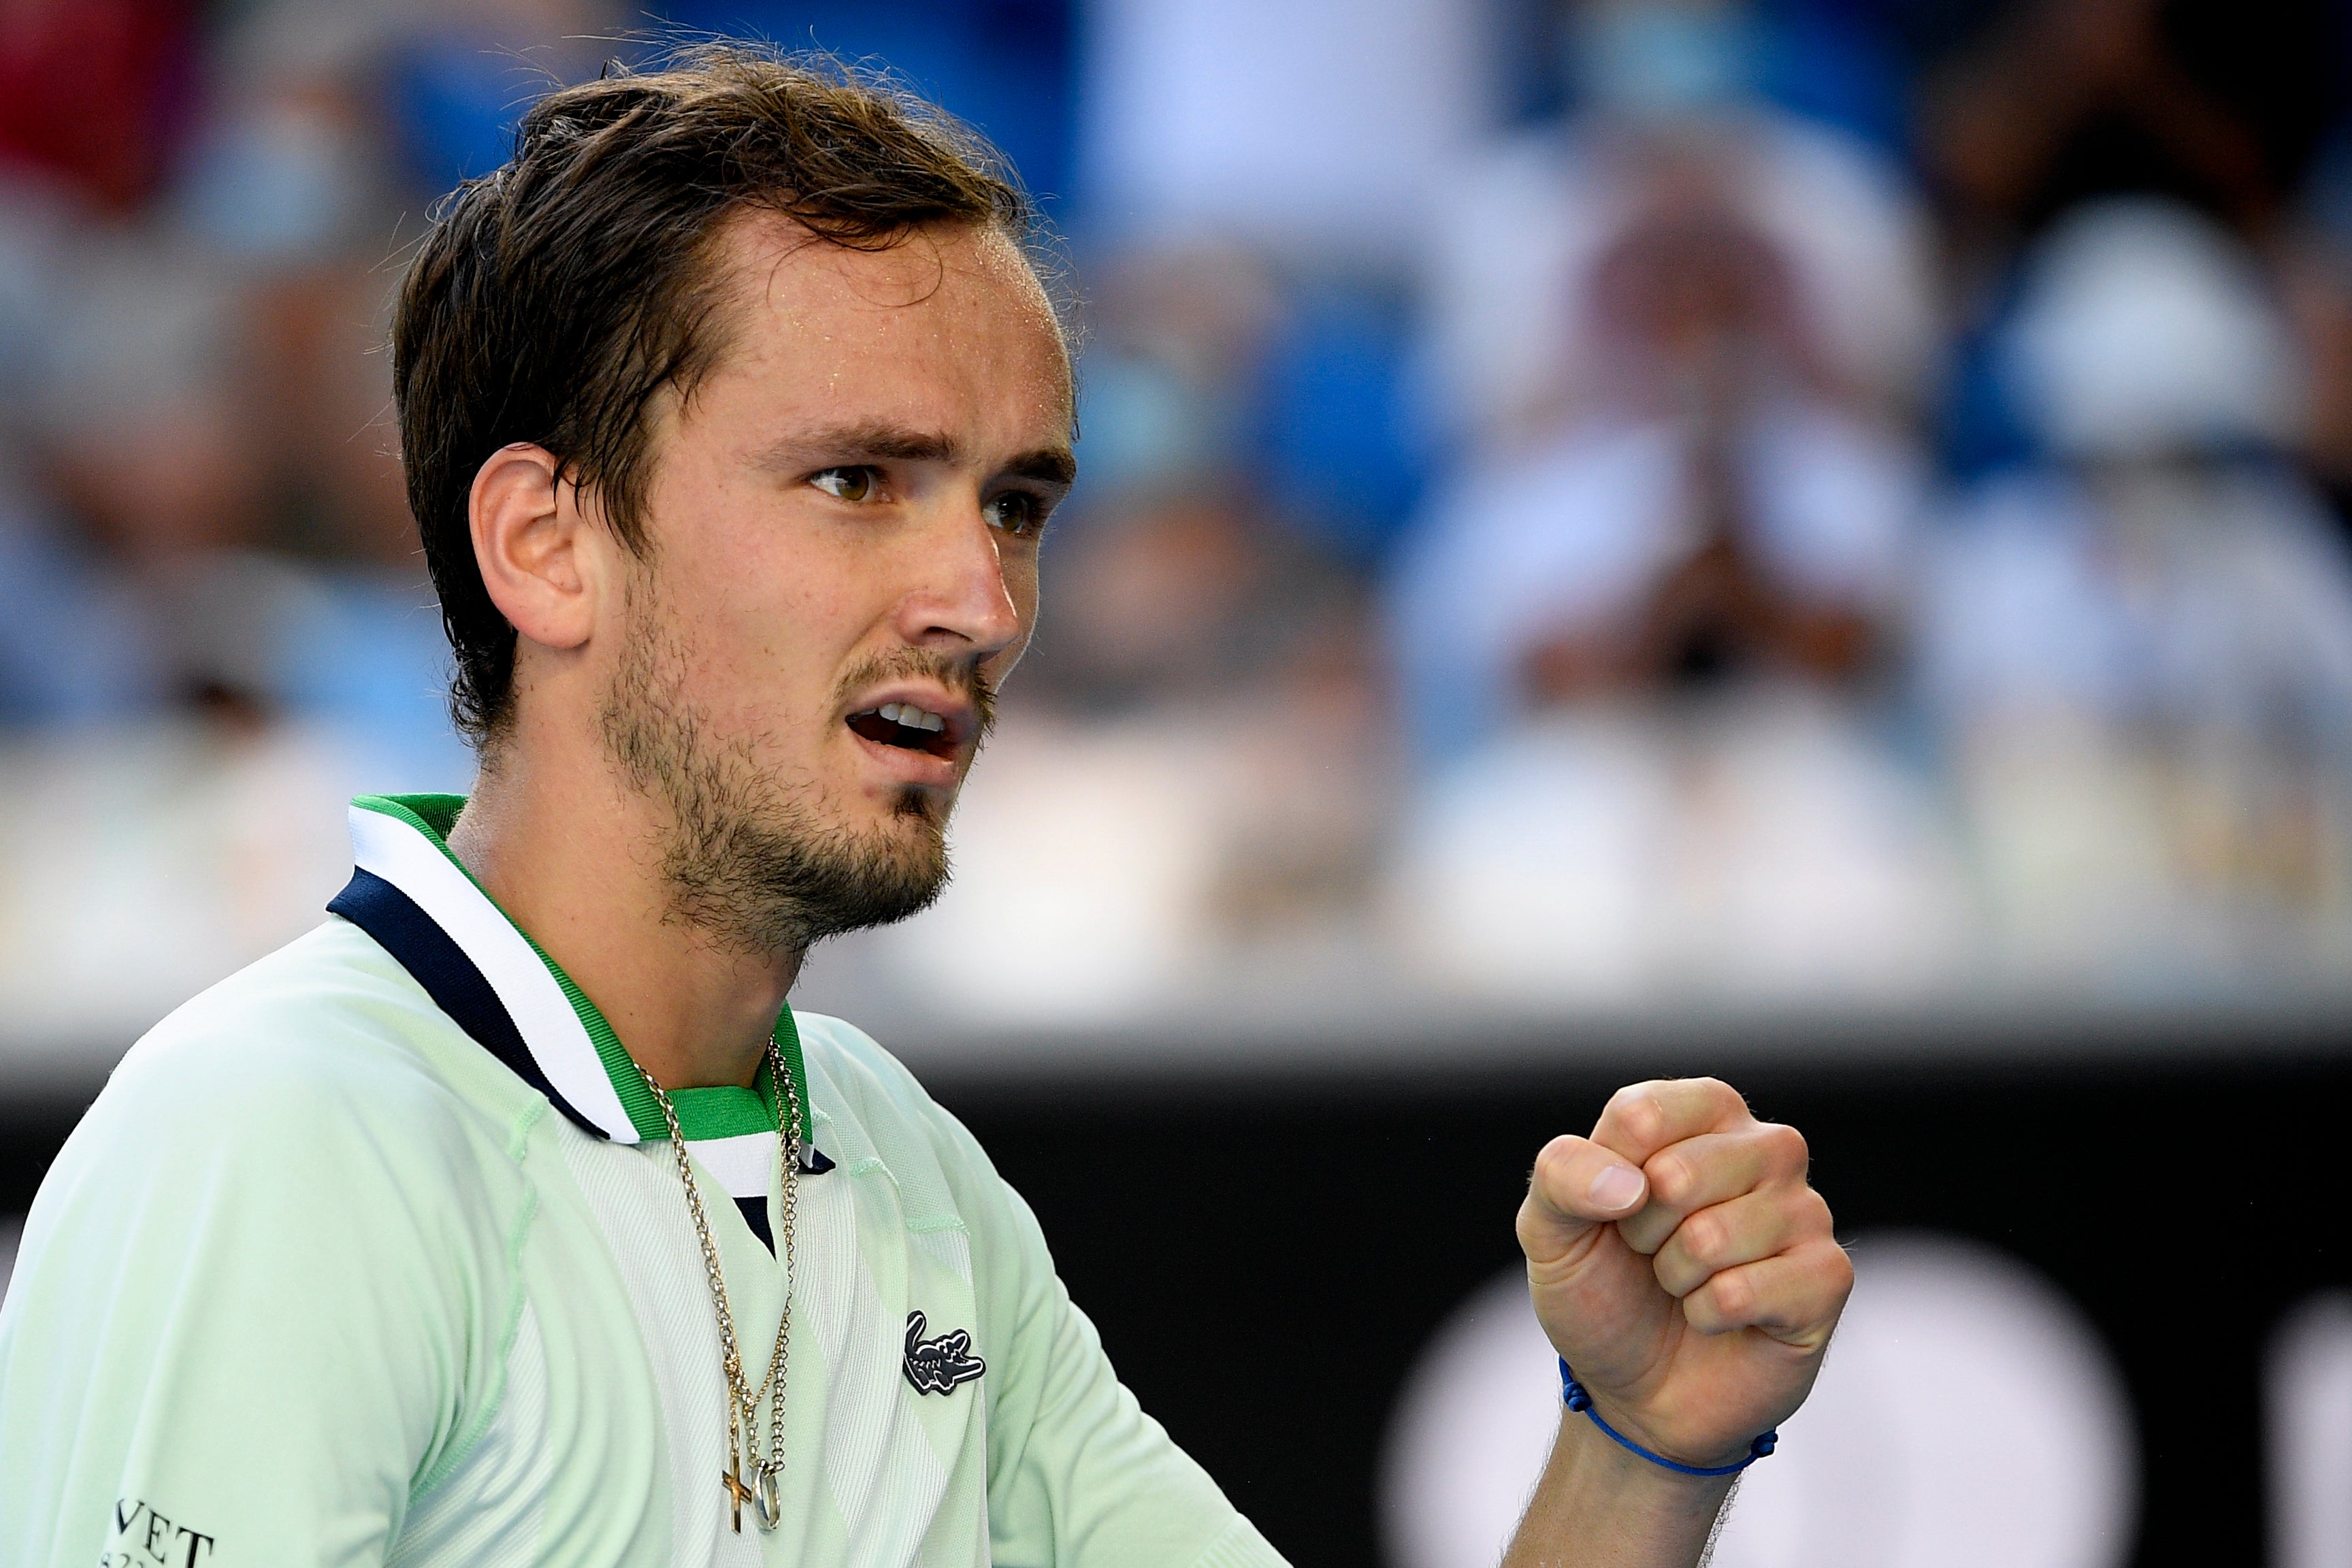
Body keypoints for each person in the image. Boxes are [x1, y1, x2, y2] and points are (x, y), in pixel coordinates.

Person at [0, 47, 1851, 1568]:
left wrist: (1640, 1450)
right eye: (859, 479)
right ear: (545, 547)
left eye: (1017, 503)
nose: (980, 600)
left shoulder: (908, 1171)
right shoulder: (281, 1135)